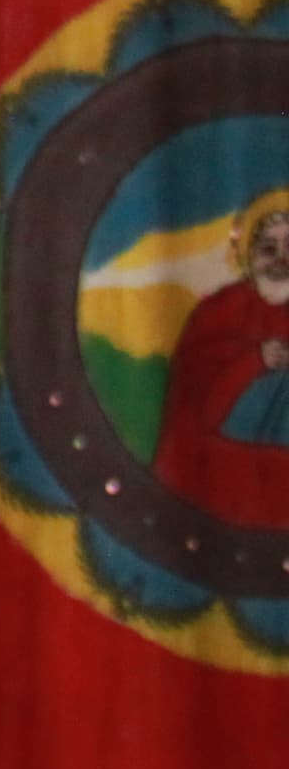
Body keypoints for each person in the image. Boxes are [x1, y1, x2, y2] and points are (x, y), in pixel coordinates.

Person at [158, 196, 289, 530]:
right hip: (224, 478)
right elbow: (192, 396)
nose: (281, 260)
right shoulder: (220, 311)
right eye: (269, 248)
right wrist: (255, 361)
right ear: (248, 252)